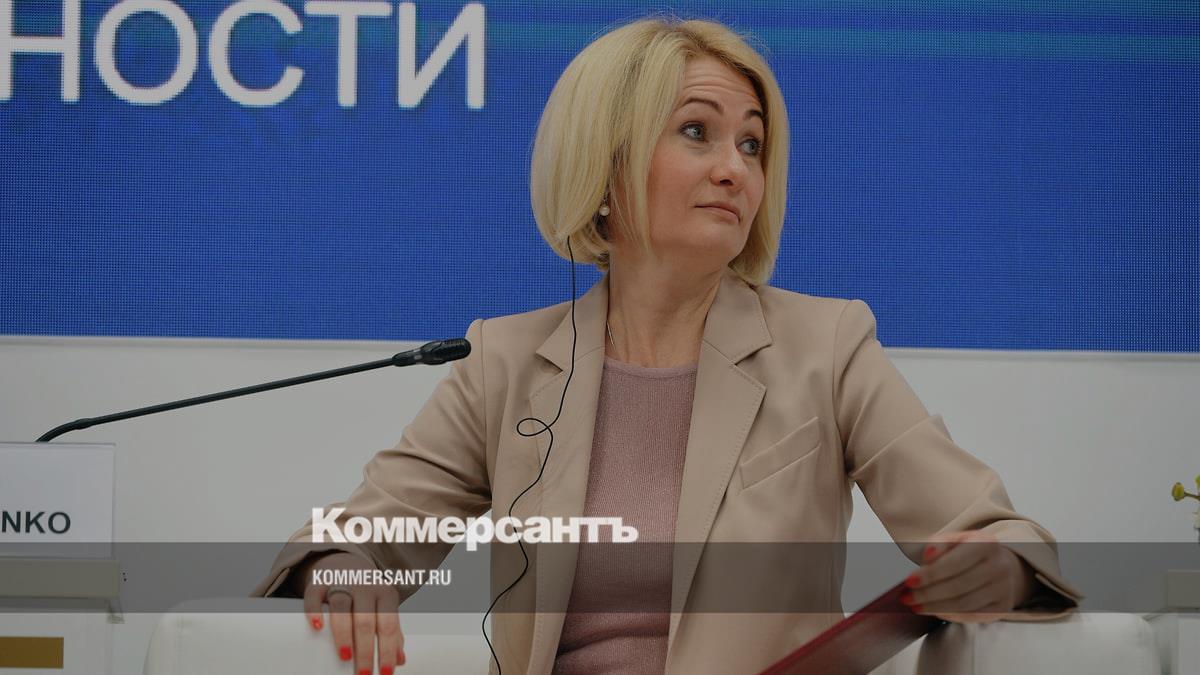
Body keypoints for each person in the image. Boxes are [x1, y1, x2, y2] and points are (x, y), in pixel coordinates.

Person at [253, 16, 1081, 674]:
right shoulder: (502, 361)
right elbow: (357, 535)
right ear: (605, 165)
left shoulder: (827, 347)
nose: (735, 169)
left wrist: (998, 567)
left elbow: (997, 532)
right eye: (696, 132)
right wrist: (344, 566)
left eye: (751, 144)